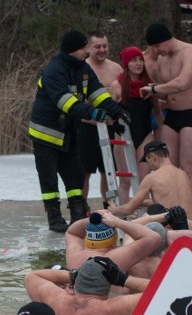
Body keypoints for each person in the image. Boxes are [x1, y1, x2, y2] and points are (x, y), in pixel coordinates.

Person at [29, 30, 130, 233]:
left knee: (74, 177)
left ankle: (77, 217)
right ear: (73, 50)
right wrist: (94, 114)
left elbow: (98, 93)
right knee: (49, 179)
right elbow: (67, 103)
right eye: (84, 47)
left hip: (68, 133)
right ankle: (54, 219)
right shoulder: (54, 71)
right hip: (46, 134)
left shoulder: (82, 68)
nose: (87, 50)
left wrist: (116, 111)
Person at [140, 23, 192, 218]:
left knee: (188, 169)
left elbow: (182, 83)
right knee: (168, 167)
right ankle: (171, 215)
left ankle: (191, 218)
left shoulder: (191, 52)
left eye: (157, 47)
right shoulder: (162, 59)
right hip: (172, 114)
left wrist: (153, 89)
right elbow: (164, 88)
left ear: (165, 40)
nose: (156, 52)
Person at [25, 257, 144, 315]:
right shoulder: (115, 308)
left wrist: (73, 274)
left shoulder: (55, 300)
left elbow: (31, 276)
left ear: (76, 283)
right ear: (108, 287)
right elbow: (159, 292)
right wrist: (123, 279)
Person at [79, 31, 123, 204]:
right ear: (88, 48)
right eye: (97, 46)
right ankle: (81, 208)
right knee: (84, 171)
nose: (102, 50)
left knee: (109, 170)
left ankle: (109, 206)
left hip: (110, 125)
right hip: (86, 126)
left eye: (105, 46)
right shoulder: (81, 67)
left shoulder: (116, 68)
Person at [108, 46, 156, 202]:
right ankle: (123, 218)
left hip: (145, 135)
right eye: (134, 60)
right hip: (123, 137)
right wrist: (113, 124)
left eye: (141, 60)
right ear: (126, 64)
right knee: (126, 181)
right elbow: (108, 113)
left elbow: (158, 113)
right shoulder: (117, 86)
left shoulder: (150, 85)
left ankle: (144, 219)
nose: (138, 63)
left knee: (144, 180)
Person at [109, 139, 192, 221]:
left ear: (152, 157)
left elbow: (129, 209)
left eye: (148, 161)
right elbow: (170, 200)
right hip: (190, 227)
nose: (149, 166)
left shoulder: (151, 177)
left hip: (171, 229)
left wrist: (113, 210)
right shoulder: (183, 174)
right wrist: (143, 203)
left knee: (136, 222)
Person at [65, 210, 163, 271]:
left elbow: (71, 232)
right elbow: (153, 237)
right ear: (112, 241)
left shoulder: (74, 255)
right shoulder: (114, 259)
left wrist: (94, 218)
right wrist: (117, 222)